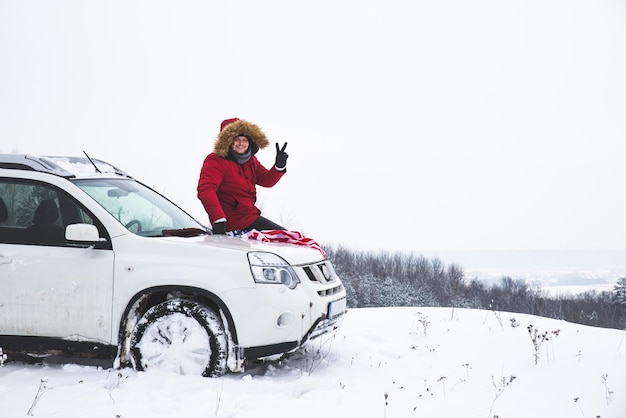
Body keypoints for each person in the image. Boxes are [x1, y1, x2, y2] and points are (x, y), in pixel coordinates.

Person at [197, 118, 289, 234]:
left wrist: (278, 166)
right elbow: (206, 190)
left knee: (287, 238)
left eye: (244, 139)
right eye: (236, 139)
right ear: (227, 141)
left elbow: (266, 180)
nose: (241, 143)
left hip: (250, 217)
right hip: (231, 221)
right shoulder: (216, 160)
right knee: (283, 237)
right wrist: (218, 219)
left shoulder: (251, 160)